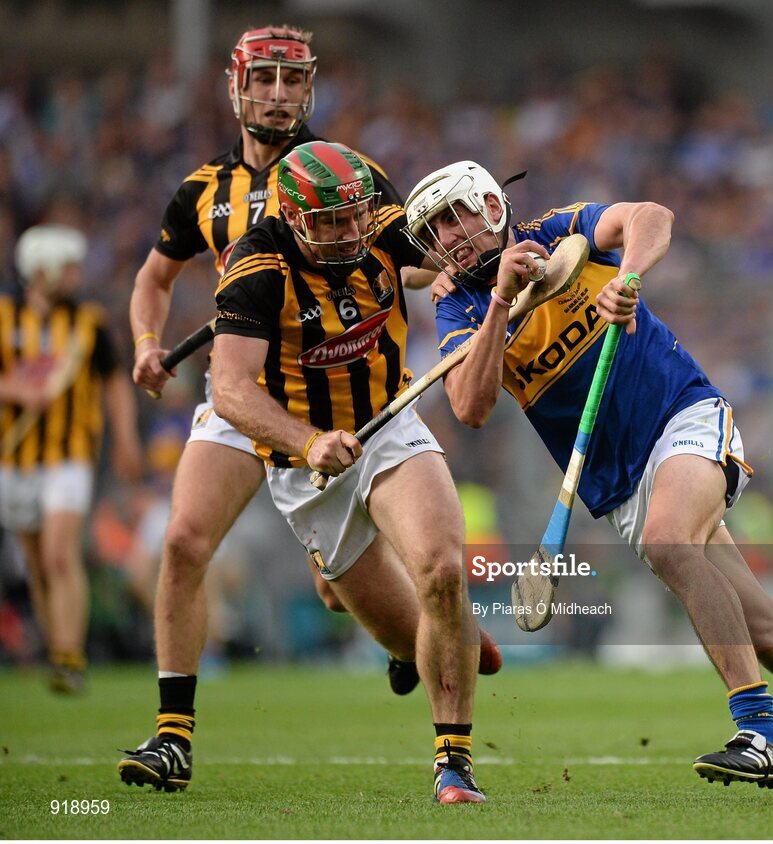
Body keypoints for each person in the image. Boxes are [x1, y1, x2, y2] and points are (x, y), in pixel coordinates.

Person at [404, 160, 773, 798]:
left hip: (684, 416)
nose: (450, 235)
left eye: (456, 215)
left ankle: (760, 735)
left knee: (669, 541)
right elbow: (470, 406)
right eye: (435, 229)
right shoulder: (459, 306)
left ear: (489, 204)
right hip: (620, 485)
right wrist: (503, 304)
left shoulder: (561, 228)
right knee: (769, 636)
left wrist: (628, 277)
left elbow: (651, 217)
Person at [121, 25, 495, 794]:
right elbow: (200, 345)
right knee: (185, 541)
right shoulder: (208, 201)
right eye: (267, 80)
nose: (281, 95)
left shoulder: (349, 179)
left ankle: (447, 730)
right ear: (236, 86)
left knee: (440, 575)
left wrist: (471, 269)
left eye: (295, 82)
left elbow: (418, 259)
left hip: (369, 399)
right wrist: (146, 341)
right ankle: (173, 736)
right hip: (254, 385)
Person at [211, 141, 486, 803]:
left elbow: (444, 261)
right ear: (295, 216)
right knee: (405, 631)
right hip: (308, 467)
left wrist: (461, 271)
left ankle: (453, 763)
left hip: (390, 423)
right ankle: (412, 647)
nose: (348, 233)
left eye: (355, 216)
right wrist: (307, 442)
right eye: (330, 223)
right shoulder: (255, 267)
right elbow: (229, 389)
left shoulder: (381, 224)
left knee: (443, 572)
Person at [0, 223, 143, 693]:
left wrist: (124, 438)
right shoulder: (3, 316)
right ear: (40, 270)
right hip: (14, 458)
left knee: (61, 552)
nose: (76, 274)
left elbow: (115, 382)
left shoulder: (89, 322)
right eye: (68, 267)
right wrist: (16, 389)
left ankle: (69, 655)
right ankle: (56, 653)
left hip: (70, 456)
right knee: (39, 564)